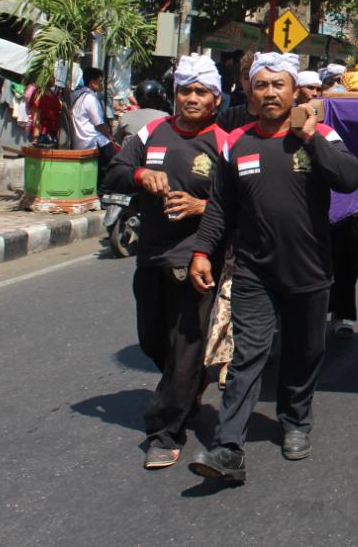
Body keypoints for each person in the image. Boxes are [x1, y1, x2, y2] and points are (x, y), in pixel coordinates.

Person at [187, 52, 358, 482]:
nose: (269, 93)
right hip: (253, 272)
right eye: (261, 85)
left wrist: (311, 139)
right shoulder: (237, 143)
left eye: (277, 85)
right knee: (247, 355)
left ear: (293, 90)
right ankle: (228, 447)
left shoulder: (321, 134)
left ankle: (296, 420)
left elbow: (349, 177)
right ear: (250, 90)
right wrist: (201, 252)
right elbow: (220, 209)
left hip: (309, 269)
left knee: (304, 353)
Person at [103, 55, 225, 470]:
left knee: (187, 349)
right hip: (151, 256)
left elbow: (243, 207)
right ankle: (187, 388)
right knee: (153, 340)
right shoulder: (151, 131)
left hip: (198, 260)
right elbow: (114, 172)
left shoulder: (225, 144)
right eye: (185, 90)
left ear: (215, 100)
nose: (191, 98)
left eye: (201, 92)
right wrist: (140, 177)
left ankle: (164, 431)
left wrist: (201, 205)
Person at [71, 67, 115, 186]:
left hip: (79, 140)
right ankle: (104, 189)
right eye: (100, 81)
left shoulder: (76, 94)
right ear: (92, 82)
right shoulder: (90, 98)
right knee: (113, 160)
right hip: (91, 140)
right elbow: (99, 124)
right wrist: (110, 137)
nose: (101, 84)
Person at [115, 80, 170, 144]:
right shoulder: (165, 117)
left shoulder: (127, 116)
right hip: (153, 153)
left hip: (129, 153)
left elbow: (118, 140)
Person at [216, 55, 256, 132]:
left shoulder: (277, 119)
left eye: (256, 78)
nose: (251, 84)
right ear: (240, 79)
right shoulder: (227, 117)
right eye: (247, 78)